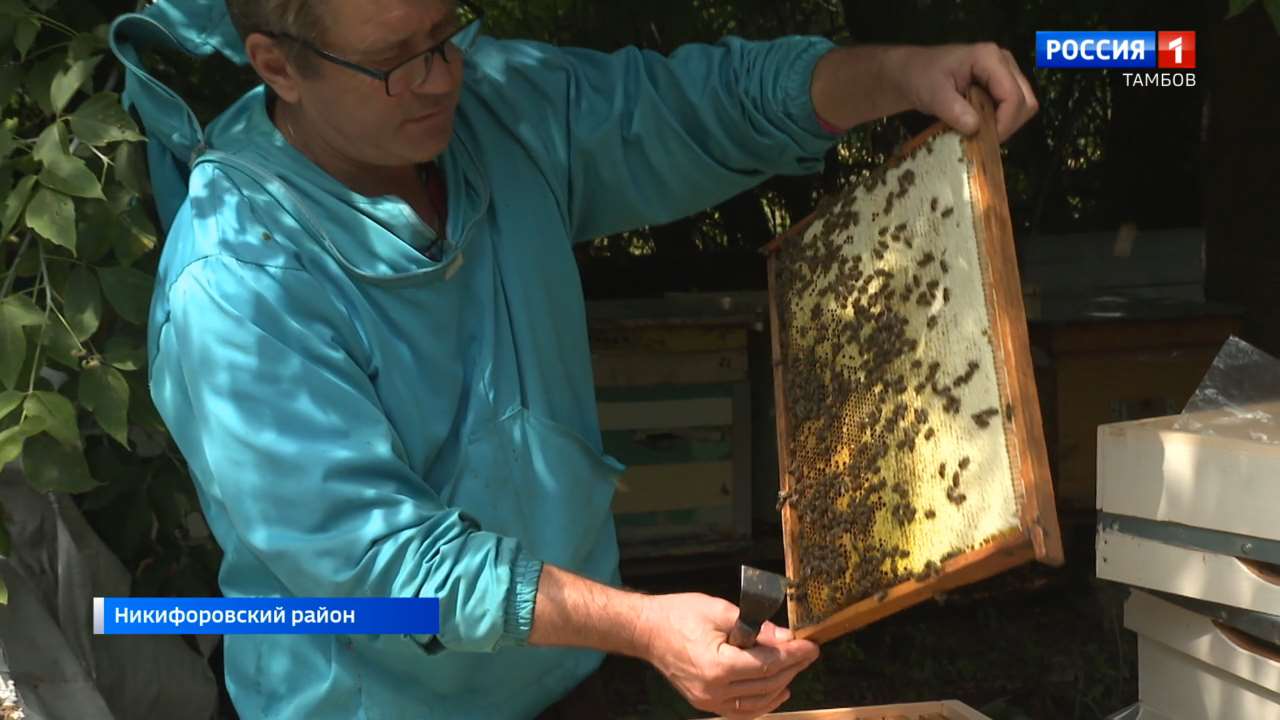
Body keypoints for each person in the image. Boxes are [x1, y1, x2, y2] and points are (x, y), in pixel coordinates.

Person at [109, 0, 1038, 717]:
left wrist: (901, 74)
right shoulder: (235, 285)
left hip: (567, 677)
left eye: (444, 35)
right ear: (279, 64)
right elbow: (388, 575)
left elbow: (685, 110)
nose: (439, 79)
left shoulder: (497, 113)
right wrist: (643, 625)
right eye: (395, 61)